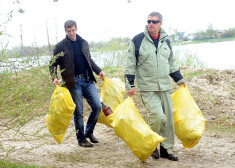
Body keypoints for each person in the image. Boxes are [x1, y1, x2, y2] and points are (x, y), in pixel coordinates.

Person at [125, 11, 185, 161]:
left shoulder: (166, 41)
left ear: (160, 24)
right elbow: (130, 65)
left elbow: (171, 63)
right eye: (148, 21)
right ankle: (151, 145)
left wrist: (180, 80)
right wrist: (130, 84)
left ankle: (166, 149)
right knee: (158, 116)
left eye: (154, 21)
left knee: (168, 120)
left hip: (165, 86)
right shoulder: (137, 40)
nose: (150, 23)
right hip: (147, 87)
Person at [49, 20, 105, 148]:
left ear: (76, 29)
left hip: (87, 79)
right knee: (78, 111)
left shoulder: (83, 43)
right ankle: (81, 139)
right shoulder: (60, 46)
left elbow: (89, 59)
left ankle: (89, 132)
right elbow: (52, 63)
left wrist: (99, 71)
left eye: (73, 30)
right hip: (73, 82)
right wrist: (54, 77)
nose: (71, 33)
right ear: (65, 31)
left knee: (97, 106)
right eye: (68, 31)